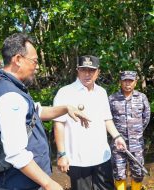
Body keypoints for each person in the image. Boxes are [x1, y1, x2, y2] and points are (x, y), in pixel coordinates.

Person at [0, 33, 89, 190]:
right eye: (34, 61)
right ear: (18, 59)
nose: (37, 66)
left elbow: (36, 113)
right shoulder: (10, 96)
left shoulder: (7, 86)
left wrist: (66, 108)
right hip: (19, 183)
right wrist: (48, 183)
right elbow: (16, 153)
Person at [53, 55, 127, 190]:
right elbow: (59, 125)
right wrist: (62, 154)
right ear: (77, 70)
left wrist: (117, 136)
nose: (87, 74)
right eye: (83, 70)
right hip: (78, 159)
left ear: (98, 72)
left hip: (102, 156)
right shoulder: (65, 92)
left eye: (91, 71)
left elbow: (107, 119)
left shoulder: (101, 92)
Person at [108, 71, 151, 190]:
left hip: (136, 142)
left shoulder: (142, 97)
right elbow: (107, 119)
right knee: (119, 172)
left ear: (135, 82)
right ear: (120, 82)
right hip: (117, 143)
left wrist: (136, 132)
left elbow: (146, 117)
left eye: (130, 81)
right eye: (125, 81)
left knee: (138, 172)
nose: (127, 83)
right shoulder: (112, 99)